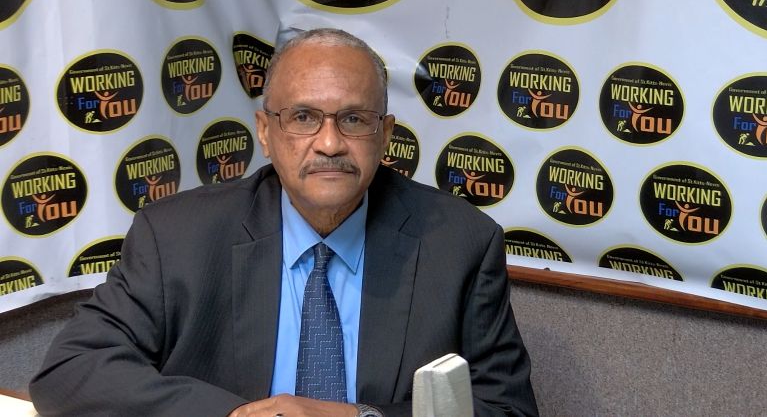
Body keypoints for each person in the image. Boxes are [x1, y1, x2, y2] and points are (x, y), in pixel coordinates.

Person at [29, 28, 538, 417]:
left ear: (385, 135)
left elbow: (507, 409)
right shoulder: (177, 237)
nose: (330, 143)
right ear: (265, 132)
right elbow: (72, 370)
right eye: (303, 117)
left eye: (354, 119)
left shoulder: (461, 245)